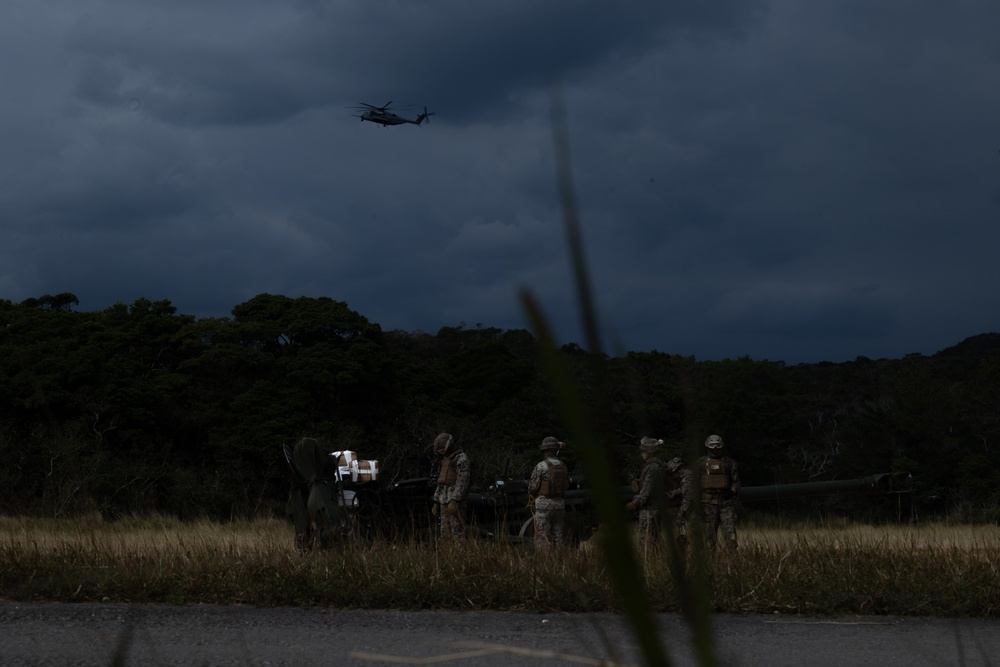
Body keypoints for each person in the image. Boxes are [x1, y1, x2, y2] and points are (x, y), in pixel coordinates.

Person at [697, 434, 741, 549]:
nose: (715, 449)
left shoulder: (729, 463)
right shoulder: (700, 463)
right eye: (712, 446)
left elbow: (736, 481)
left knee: (730, 537)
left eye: (718, 446)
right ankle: (711, 563)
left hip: (726, 503)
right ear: (708, 446)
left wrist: (732, 491)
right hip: (707, 504)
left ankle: (732, 563)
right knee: (709, 538)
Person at [528, 436, 569, 549]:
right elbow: (566, 485)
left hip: (544, 505)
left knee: (542, 536)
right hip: (560, 505)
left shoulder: (541, 466)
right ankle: (560, 561)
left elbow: (533, 487)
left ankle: (544, 562)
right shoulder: (563, 466)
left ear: (544, 450)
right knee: (559, 537)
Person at [626, 436, 666, 548]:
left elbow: (645, 493)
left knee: (647, 542)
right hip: (654, 508)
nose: (642, 453)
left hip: (650, 509)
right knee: (653, 539)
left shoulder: (653, 468)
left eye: (643, 451)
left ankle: (650, 563)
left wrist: (633, 504)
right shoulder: (656, 466)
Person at [431, 433, 471, 540]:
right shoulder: (445, 461)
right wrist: (436, 501)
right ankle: (448, 555)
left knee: (457, 532)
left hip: (455, 502)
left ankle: (459, 555)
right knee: (445, 533)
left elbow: (462, 481)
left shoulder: (461, 459)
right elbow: (441, 482)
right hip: (444, 500)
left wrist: (455, 500)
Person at [665, 456, 693, 547]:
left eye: (673, 474)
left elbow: (687, 500)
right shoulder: (689, 475)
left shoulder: (687, 479)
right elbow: (685, 490)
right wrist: (676, 492)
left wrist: (680, 515)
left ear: (678, 471)